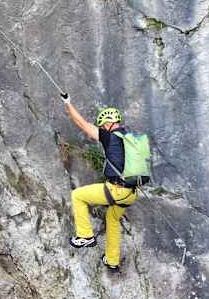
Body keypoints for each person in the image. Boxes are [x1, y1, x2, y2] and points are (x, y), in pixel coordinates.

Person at [60, 94, 150, 271]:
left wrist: (68, 103)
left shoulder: (110, 136)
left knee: (77, 195)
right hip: (130, 194)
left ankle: (85, 235)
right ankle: (112, 260)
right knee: (112, 218)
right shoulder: (129, 139)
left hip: (116, 190)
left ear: (108, 123)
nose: (101, 128)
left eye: (102, 125)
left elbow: (83, 124)